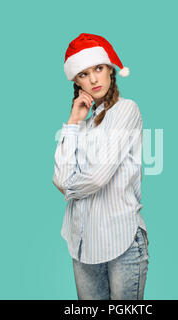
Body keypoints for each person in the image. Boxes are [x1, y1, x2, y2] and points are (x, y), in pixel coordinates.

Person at [53, 33, 149, 300]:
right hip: (82, 243)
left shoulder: (127, 110)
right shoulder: (81, 123)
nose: (93, 79)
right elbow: (59, 176)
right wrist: (73, 121)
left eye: (98, 68)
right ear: (76, 81)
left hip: (122, 242)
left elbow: (97, 177)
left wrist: (68, 189)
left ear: (110, 70)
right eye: (83, 74)